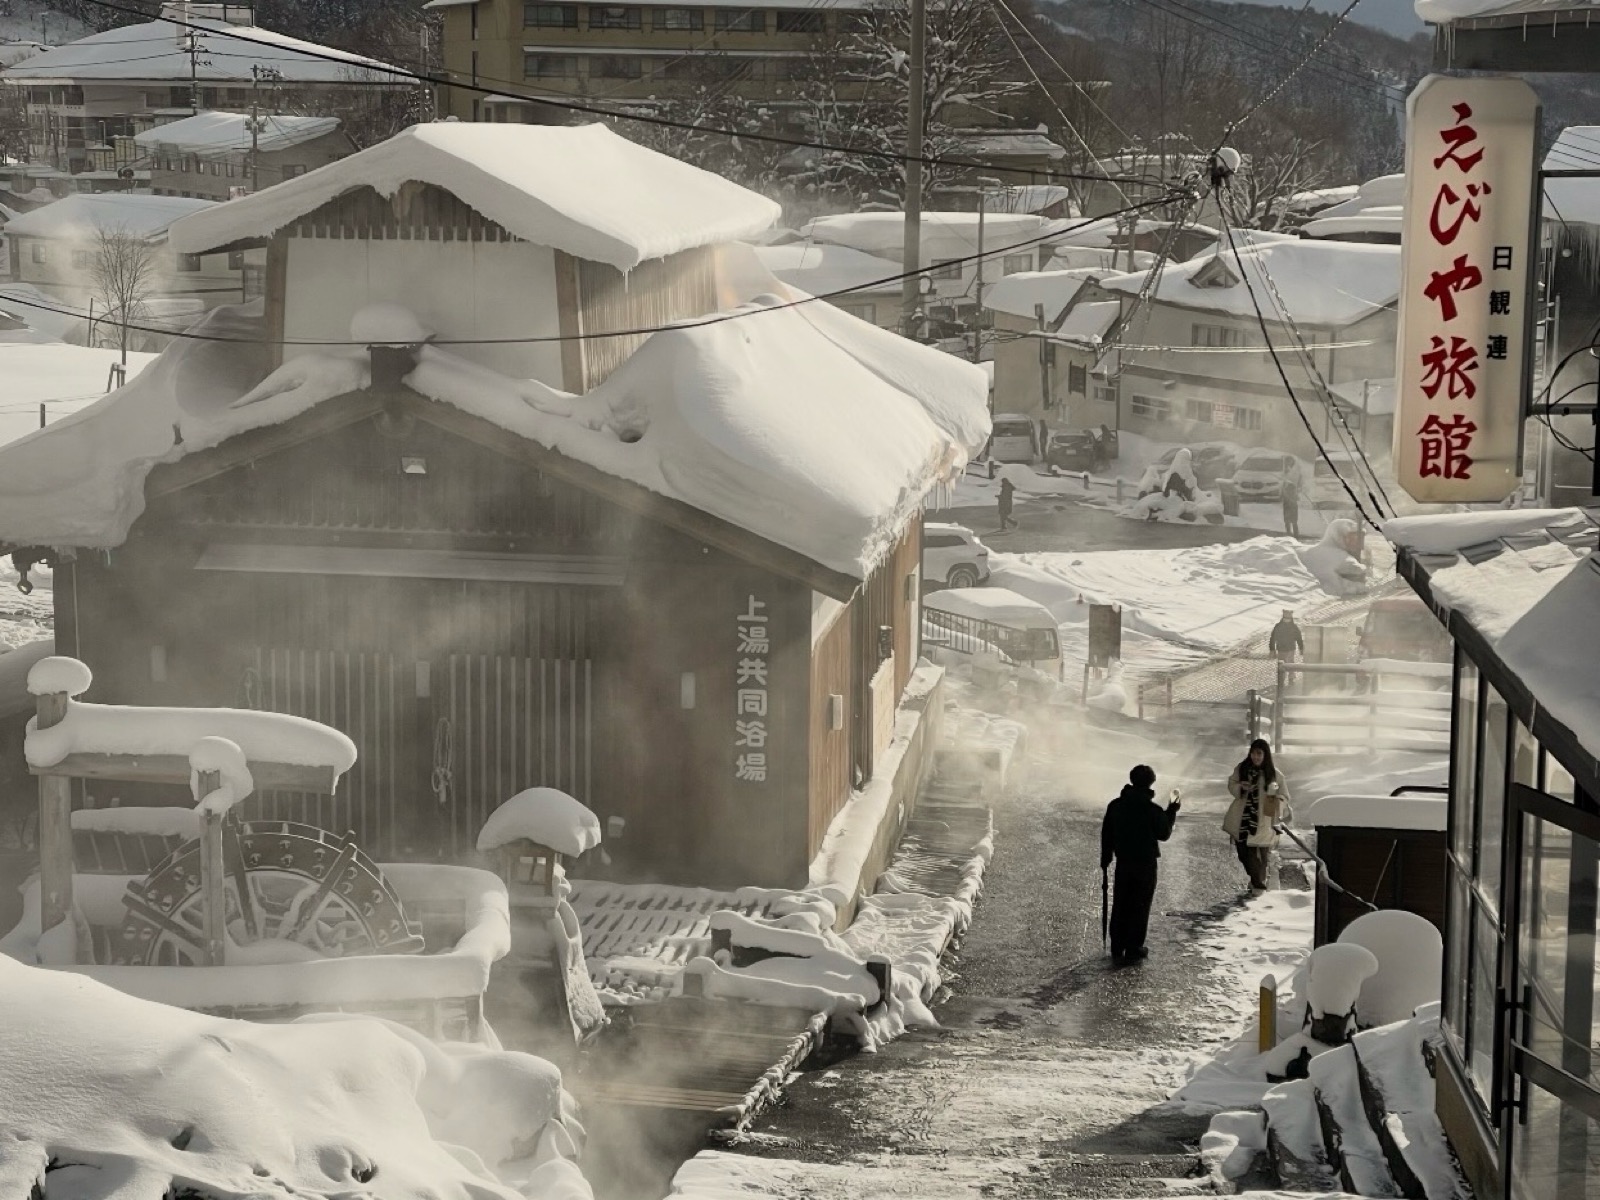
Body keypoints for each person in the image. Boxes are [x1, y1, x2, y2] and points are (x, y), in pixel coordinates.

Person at [1100, 764, 1181, 962]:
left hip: (1124, 862)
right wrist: (1172, 810)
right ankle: (1134, 946)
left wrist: (1106, 857)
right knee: (1140, 904)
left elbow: (1107, 833)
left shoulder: (1116, 805)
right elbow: (1164, 833)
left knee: (1121, 902)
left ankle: (1117, 945)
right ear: (1150, 783)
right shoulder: (1151, 810)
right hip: (1145, 864)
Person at [1223, 739, 1292, 893]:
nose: (1256, 757)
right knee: (1243, 853)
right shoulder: (1243, 768)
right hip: (1243, 818)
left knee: (1258, 855)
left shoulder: (1274, 774)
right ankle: (1257, 880)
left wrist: (1272, 802)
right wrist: (1241, 787)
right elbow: (1231, 783)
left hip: (1264, 819)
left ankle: (1258, 885)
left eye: (1259, 753)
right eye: (1253, 753)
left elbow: (1284, 796)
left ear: (1265, 754)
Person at [1281, 473, 1301, 538]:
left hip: (1289, 507)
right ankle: (1295, 535)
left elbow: (1284, 497)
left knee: (1288, 522)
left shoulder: (1287, 489)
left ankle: (1290, 535)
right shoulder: (1292, 488)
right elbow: (1297, 498)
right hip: (1292, 507)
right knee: (1293, 522)